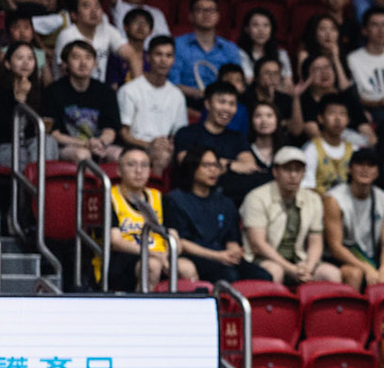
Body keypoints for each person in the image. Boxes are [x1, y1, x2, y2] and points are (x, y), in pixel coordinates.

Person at [242, 147, 342, 287]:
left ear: (304, 173)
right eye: (287, 169)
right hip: (263, 259)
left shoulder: (313, 199)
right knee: (275, 271)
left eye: (298, 170)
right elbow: (258, 244)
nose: (293, 175)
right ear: (275, 172)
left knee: (332, 273)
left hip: (299, 259)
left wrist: (309, 267)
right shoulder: (256, 197)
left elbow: (315, 241)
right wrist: (290, 269)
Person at [165, 146, 266, 284]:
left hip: (222, 256)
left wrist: (233, 252)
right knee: (228, 275)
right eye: (207, 165)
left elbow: (232, 239)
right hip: (195, 256)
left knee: (262, 276)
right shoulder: (175, 199)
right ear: (192, 167)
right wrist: (218, 256)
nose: (213, 170)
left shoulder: (225, 203)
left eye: (216, 165)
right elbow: (181, 242)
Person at [104, 144, 198, 290]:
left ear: (150, 171)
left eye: (144, 165)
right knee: (151, 265)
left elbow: (174, 237)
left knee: (187, 268)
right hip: (125, 257)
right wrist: (152, 254)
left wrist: (167, 256)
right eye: (131, 165)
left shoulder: (159, 198)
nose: (138, 171)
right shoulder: (108, 197)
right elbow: (115, 241)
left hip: (161, 255)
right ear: (119, 170)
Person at [324, 147, 384, 292]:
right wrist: (366, 268)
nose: (365, 169)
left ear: (377, 172)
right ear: (350, 169)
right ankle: (352, 314)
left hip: (371, 258)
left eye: (371, 165)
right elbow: (335, 246)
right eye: (360, 164)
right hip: (342, 259)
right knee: (355, 274)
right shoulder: (334, 199)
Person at [44, 40, 121, 165]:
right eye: (76, 58)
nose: (83, 63)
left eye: (88, 58)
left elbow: (110, 130)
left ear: (95, 63)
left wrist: (99, 143)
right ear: (65, 64)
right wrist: (85, 144)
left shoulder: (105, 91)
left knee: (120, 156)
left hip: (99, 145)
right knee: (83, 155)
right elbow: (54, 134)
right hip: (66, 147)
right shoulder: (53, 91)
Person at [118, 36, 189, 171]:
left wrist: (170, 145)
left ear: (173, 60)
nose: (163, 60)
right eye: (158, 54)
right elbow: (124, 134)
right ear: (148, 58)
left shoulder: (177, 95)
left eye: (168, 56)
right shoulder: (130, 90)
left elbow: (178, 134)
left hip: (164, 149)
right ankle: (155, 192)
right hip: (134, 147)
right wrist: (149, 145)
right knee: (160, 155)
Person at [171, 0, 245, 101]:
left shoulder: (230, 48)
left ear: (218, 16)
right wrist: (205, 95)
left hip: (223, 103)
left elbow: (238, 84)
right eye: (200, 10)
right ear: (191, 16)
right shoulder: (177, 45)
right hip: (185, 101)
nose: (206, 14)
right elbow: (172, 84)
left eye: (211, 10)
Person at [172, 80, 248, 165]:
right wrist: (232, 165)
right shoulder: (187, 133)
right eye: (222, 102)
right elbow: (186, 163)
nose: (227, 108)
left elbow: (249, 165)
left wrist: (208, 164)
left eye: (232, 104)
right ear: (208, 104)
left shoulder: (237, 138)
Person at [301, 95, 358, 193]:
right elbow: (307, 187)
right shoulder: (311, 149)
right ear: (321, 118)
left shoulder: (354, 149)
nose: (338, 118)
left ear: (348, 120)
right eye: (332, 113)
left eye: (342, 114)